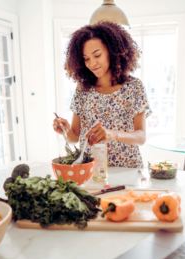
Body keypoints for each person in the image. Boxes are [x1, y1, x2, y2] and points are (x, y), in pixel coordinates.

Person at [53, 21, 152, 168]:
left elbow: (141, 137)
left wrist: (114, 134)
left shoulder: (134, 87)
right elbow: (75, 137)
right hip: (91, 171)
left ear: (112, 51)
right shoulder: (82, 90)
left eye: (97, 55)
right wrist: (65, 130)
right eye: (86, 58)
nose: (92, 63)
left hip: (127, 170)